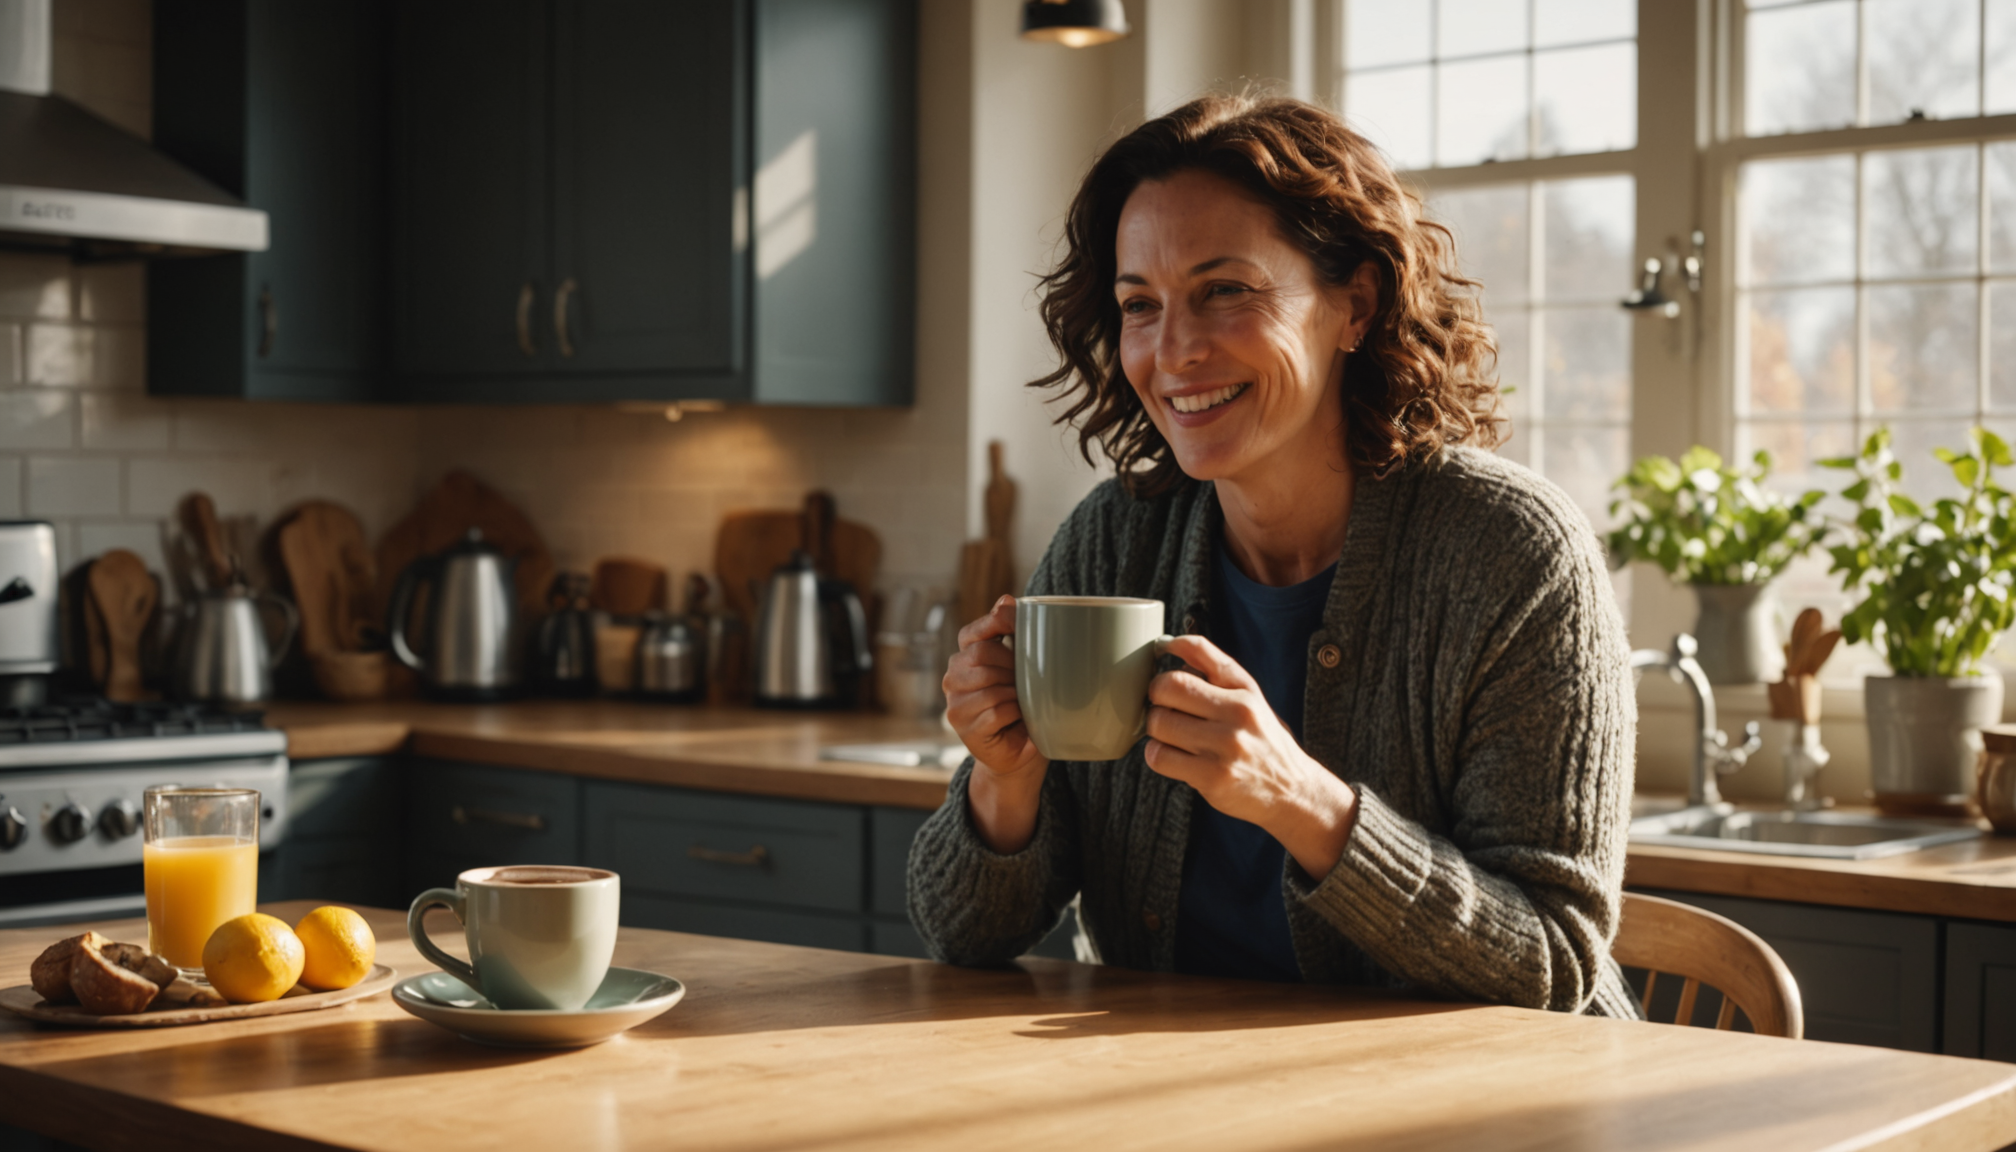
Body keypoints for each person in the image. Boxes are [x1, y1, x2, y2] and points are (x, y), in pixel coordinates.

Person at [907, 93, 1638, 1017]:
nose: (1173, 352)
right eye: (1141, 305)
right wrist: (1003, 781)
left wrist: (1300, 801)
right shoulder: (1117, 538)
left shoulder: (1513, 555)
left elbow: (1555, 961)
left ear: (1355, 305)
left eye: (1225, 291)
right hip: (1193, 1098)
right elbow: (960, 932)